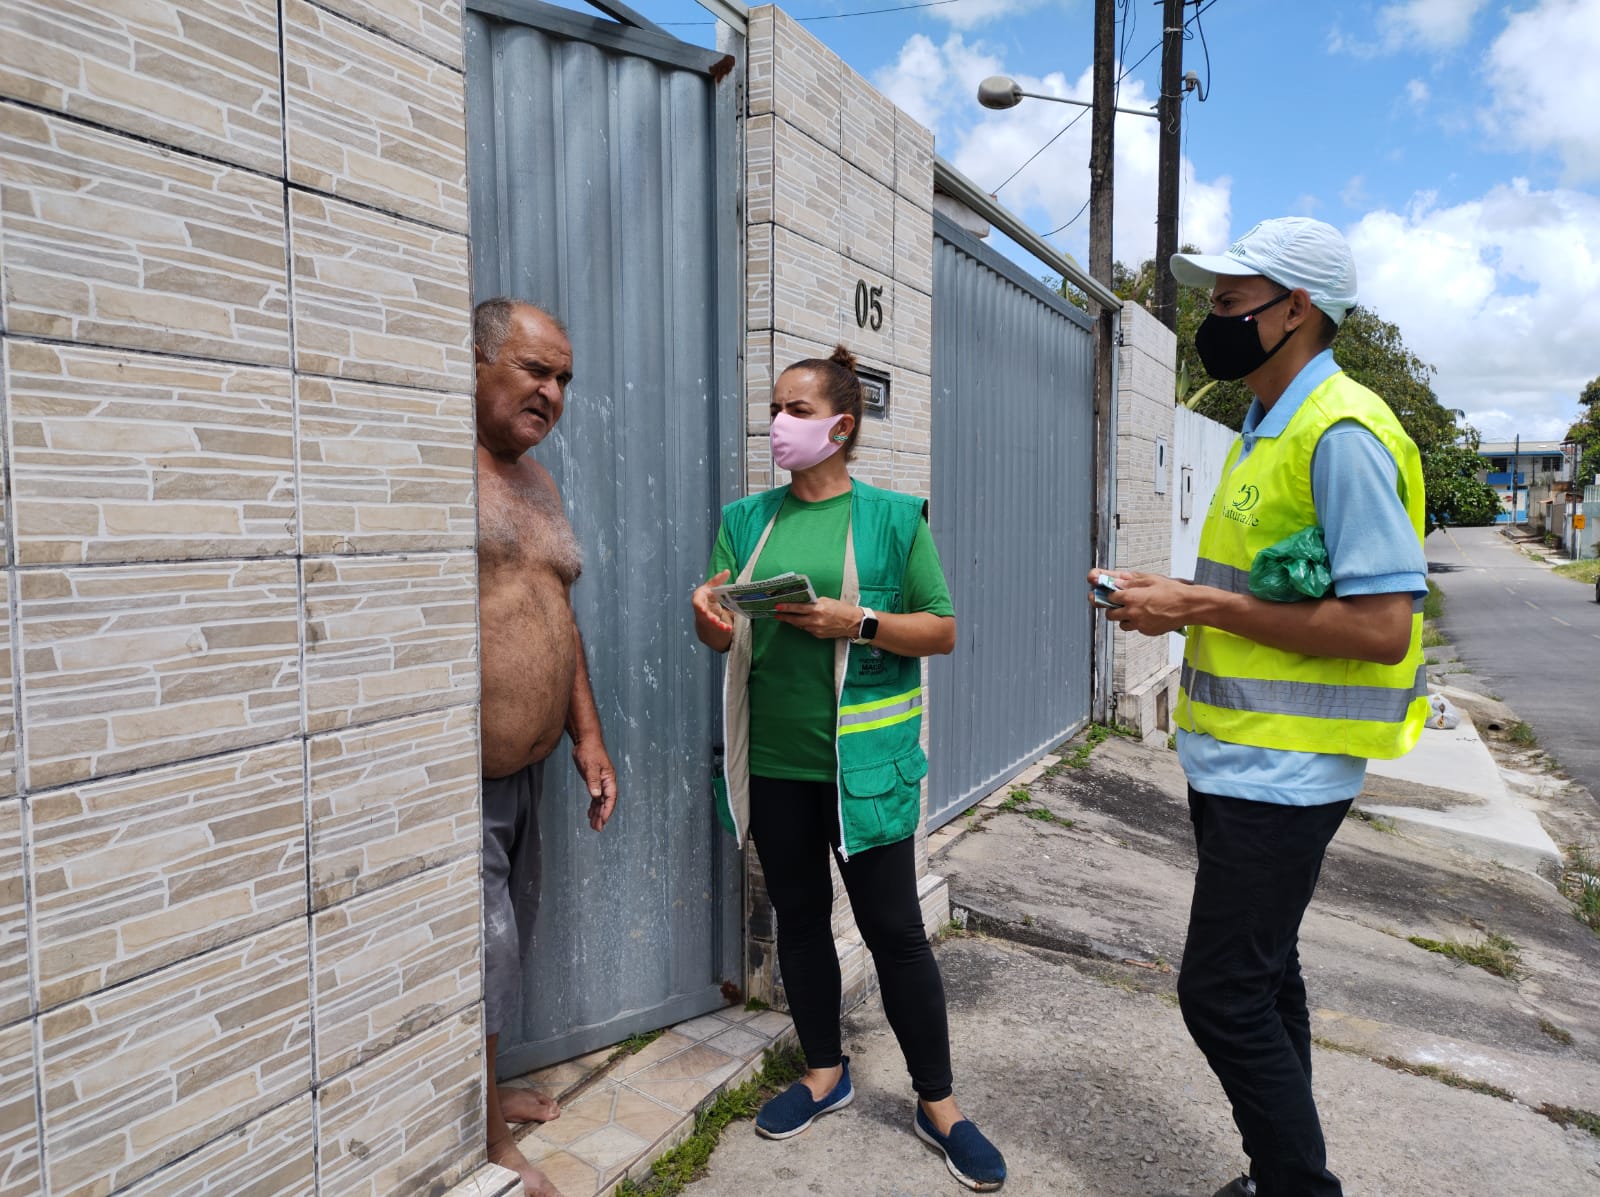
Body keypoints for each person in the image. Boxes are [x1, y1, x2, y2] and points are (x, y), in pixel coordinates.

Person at [1090, 218, 1429, 1197]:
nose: (1215, 319)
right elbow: (1270, 595)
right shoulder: (1264, 424)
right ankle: (1281, 1174)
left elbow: (1381, 628)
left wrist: (1188, 604)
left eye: (1232, 302)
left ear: (1298, 310)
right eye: (1214, 301)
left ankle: (1296, 1187)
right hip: (1239, 757)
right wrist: (1167, 593)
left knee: (1221, 996)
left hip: (1287, 771)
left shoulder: (1344, 433)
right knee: (1268, 979)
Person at [690, 346, 1006, 1193]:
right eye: (775, 409)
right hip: (780, 764)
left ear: (843, 424)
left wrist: (857, 620)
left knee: (895, 933)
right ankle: (826, 1072)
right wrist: (709, 621)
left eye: (797, 409)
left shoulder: (896, 519)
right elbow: (724, 637)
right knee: (798, 916)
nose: (779, 425)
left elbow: (939, 629)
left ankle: (938, 1103)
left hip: (863, 770)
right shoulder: (745, 519)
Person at [475, 298, 619, 1197]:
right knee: (486, 950)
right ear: (480, 361)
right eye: (535, 370)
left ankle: (484, 1086)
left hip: (528, 773)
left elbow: (556, 615)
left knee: (511, 942)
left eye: (563, 378)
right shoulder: (440, 466)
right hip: (463, 776)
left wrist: (590, 735)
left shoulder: (540, 484)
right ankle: (488, 1140)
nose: (553, 392)